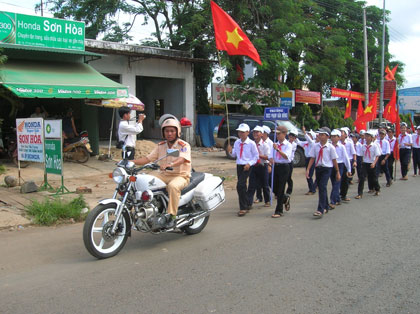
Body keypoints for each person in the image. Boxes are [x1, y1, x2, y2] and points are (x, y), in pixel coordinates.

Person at [133, 117, 191, 228]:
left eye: (172, 131)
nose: (169, 133)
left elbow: (182, 159)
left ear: (177, 132)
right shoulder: (161, 146)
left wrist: (171, 164)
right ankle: (144, 211)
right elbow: (147, 159)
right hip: (163, 174)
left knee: (173, 186)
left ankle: (171, 216)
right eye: (167, 131)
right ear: (163, 132)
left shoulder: (184, 146)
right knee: (144, 181)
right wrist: (130, 162)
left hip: (180, 176)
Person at [306, 127, 339, 218]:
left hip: (327, 169)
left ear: (327, 136)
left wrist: (337, 172)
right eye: (319, 134)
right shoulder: (315, 146)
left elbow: (334, 160)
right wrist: (308, 169)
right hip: (318, 168)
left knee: (322, 186)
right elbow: (312, 158)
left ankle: (320, 209)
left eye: (322, 134)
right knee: (322, 188)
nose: (320, 136)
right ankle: (326, 206)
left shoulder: (330, 147)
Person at [228, 123, 259, 217]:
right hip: (239, 165)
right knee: (243, 186)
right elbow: (234, 154)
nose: (240, 134)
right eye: (239, 132)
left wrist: (249, 164)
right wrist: (230, 151)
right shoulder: (237, 142)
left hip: (247, 165)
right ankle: (247, 203)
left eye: (242, 132)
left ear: (248, 132)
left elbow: (256, 156)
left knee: (240, 185)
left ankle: (243, 207)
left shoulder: (251, 143)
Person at [270, 125, 292, 218]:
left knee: (281, 188)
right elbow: (271, 156)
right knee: (273, 186)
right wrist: (270, 161)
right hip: (276, 166)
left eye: (279, 134)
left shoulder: (288, 145)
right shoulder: (275, 144)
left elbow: (286, 156)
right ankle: (284, 198)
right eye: (276, 134)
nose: (277, 136)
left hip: (284, 167)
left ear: (284, 134)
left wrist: (278, 149)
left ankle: (279, 210)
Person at [247, 126, 271, 207]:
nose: (255, 134)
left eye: (257, 132)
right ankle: (249, 203)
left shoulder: (265, 145)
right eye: (254, 132)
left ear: (261, 134)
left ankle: (267, 200)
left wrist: (258, 155)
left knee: (265, 184)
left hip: (262, 165)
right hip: (254, 166)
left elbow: (268, 157)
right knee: (252, 184)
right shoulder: (251, 144)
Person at [355, 130, 381, 199]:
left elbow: (377, 155)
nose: (366, 137)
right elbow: (361, 155)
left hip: (372, 163)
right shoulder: (363, 146)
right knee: (362, 178)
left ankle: (377, 189)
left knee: (374, 178)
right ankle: (360, 193)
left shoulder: (375, 146)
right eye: (366, 136)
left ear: (371, 138)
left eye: (368, 136)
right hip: (365, 163)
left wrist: (374, 163)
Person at [329, 129, 351, 209]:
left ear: (339, 138)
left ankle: (333, 201)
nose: (333, 138)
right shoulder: (329, 146)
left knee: (336, 183)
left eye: (335, 136)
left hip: (340, 165)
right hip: (331, 165)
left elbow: (346, 158)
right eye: (332, 136)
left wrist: (349, 169)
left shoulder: (341, 147)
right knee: (333, 183)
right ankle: (337, 199)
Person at [256, 126, 273, 202]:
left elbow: (270, 155)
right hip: (257, 164)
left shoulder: (269, 143)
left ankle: (267, 199)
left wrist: (269, 165)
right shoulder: (256, 142)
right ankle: (259, 197)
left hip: (265, 163)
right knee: (257, 182)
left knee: (265, 183)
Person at [339, 127, 356, 202]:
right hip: (339, 162)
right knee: (338, 179)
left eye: (342, 132)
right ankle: (338, 194)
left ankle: (343, 195)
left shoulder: (349, 142)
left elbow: (353, 152)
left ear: (346, 135)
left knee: (345, 180)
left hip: (348, 162)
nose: (340, 134)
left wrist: (354, 161)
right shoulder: (337, 143)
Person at [298, 127, 317, 195]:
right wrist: (294, 137)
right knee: (308, 175)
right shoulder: (306, 143)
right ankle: (312, 188)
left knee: (309, 175)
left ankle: (312, 189)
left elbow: (309, 140)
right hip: (307, 159)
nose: (308, 136)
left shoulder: (313, 143)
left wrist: (304, 132)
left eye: (310, 135)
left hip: (311, 159)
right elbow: (299, 143)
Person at [285, 130, 298, 197]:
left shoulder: (294, 145)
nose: (291, 138)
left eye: (293, 137)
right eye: (290, 136)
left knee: (288, 177)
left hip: (290, 162)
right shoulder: (286, 142)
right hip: (285, 161)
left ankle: (289, 190)